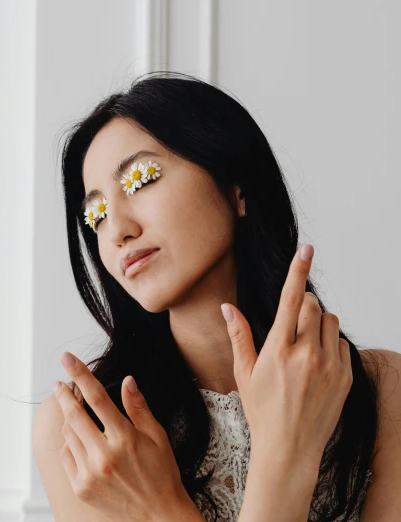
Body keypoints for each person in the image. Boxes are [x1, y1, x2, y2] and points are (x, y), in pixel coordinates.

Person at [32, 72, 401, 521]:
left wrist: (164, 511)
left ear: (237, 188)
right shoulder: (88, 431)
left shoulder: (386, 390)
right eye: (97, 215)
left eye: (141, 179)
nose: (118, 232)